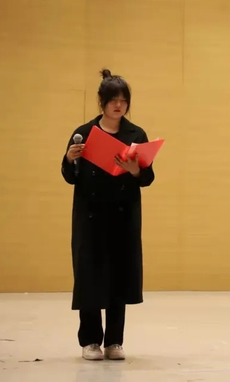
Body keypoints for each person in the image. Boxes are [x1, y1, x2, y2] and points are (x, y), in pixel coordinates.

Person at [61, 68, 155, 361]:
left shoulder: (136, 134)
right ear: (102, 102)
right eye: (113, 100)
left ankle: (114, 341)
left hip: (123, 216)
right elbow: (70, 176)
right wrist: (69, 159)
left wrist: (135, 170)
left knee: (119, 278)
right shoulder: (85, 133)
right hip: (91, 216)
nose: (119, 105)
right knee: (90, 276)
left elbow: (148, 177)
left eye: (123, 100)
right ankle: (90, 341)